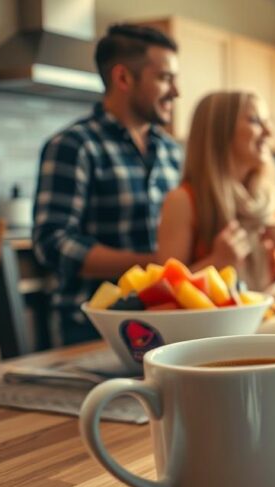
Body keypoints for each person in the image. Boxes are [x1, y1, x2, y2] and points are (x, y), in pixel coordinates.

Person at [33, 24, 182, 345]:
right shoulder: (74, 145)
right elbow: (53, 243)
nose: (176, 91)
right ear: (124, 78)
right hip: (92, 328)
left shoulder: (172, 151)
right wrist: (155, 262)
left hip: (167, 320)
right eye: (165, 78)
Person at [156, 92, 275, 291]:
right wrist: (217, 261)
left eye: (267, 122)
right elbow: (164, 289)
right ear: (219, 132)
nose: (269, 132)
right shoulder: (183, 201)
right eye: (255, 121)